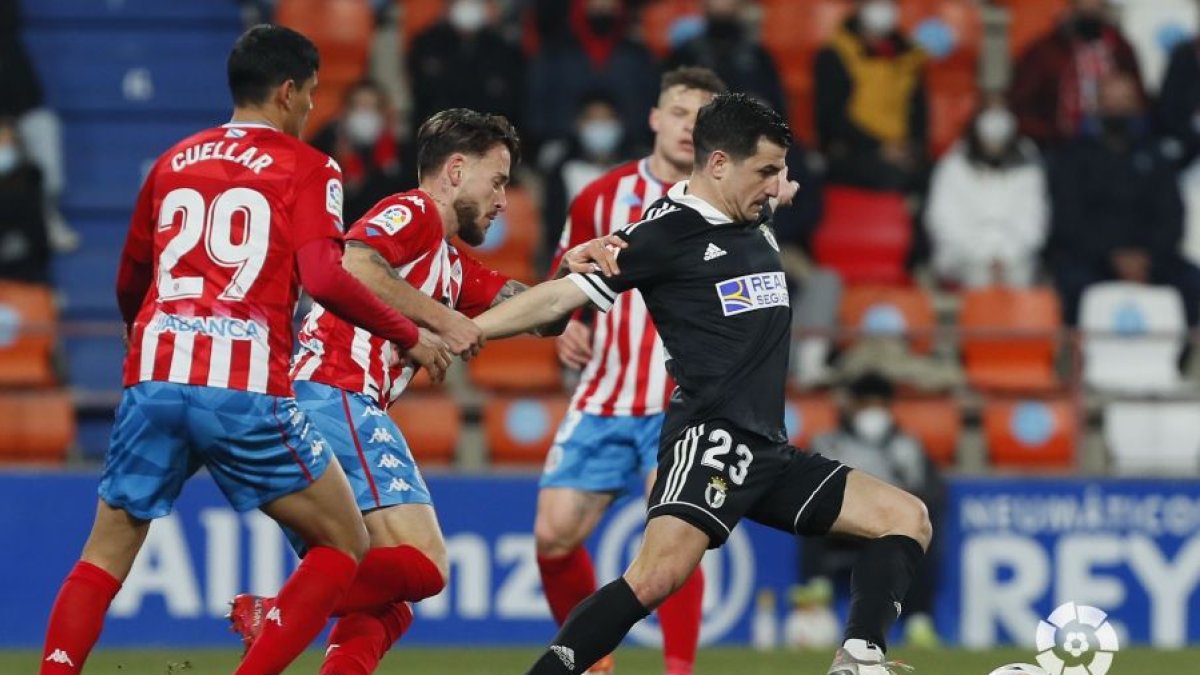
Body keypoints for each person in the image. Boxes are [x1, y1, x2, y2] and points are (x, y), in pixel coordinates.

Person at [37, 25, 452, 675]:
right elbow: (323, 276)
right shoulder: (311, 166)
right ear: (287, 92)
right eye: (312, 94)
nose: (314, 107)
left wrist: (135, 328)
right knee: (342, 544)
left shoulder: (175, 158)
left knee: (103, 555)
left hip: (156, 376)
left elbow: (131, 274)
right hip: (244, 386)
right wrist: (408, 333)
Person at [473, 93, 933, 675]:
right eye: (767, 171)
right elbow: (560, 297)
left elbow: (772, 196)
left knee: (906, 516)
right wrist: (464, 331)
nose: (777, 185)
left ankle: (858, 659)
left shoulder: (752, 211)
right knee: (655, 578)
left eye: (781, 171)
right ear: (718, 165)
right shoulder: (664, 234)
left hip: (767, 448)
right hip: (711, 439)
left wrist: (778, 189)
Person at [226, 108, 618, 675]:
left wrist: (572, 273)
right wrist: (440, 321)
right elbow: (354, 264)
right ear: (455, 171)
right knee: (427, 564)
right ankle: (275, 611)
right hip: (335, 394)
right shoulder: (411, 213)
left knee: (386, 592)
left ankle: (275, 632)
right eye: (499, 180)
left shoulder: (453, 265)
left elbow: (539, 317)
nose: (504, 199)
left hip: (311, 408)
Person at [539, 66, 727, 675]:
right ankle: (596, 660)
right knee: (553, 536)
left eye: (702, 118)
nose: (687, 127)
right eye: (678, 112)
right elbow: (565, 277)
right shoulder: (601, 195)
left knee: (672, 541)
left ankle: (678, 669)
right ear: (654, 117)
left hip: (683, 401)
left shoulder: (726, 205)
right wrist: (569, 322)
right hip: (606, 392)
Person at [1047, 72, 1200, 325]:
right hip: (1092, 257)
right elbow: (1068, 220)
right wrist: (1113, 256)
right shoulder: (1072, 157)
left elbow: (1171, 215)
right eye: (1111, 101)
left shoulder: (1155, 155)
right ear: (1096, 105)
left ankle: (1179, 361)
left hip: (1151, 257)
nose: (1118, 109)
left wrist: (1146, 257)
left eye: (1126, 101)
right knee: (1072, 282)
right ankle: (1079, 358)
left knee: (1191, 282)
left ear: (1138, 106)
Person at [807, 372, 944, 649]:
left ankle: (918, 620)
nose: (873, 412)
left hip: (889, 528)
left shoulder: (907, 447)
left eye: (879, 405)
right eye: (866, 404)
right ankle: (815, 592)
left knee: (924, 528)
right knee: (809, 512)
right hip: (842, 527)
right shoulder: (829, 443)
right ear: (853, 406)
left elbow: (928, 490)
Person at [926, 98, 1049, 288]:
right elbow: (943, 221)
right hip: (963, 256)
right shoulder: (953, 166)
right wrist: (983, 256)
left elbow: (1034, 222)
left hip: (1016, 257)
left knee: (1020, 277)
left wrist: (1006, 255)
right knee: (979, 278)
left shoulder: (1028, 167)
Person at [814, 0, 929, 192]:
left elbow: (919, 111)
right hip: (854, 151)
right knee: (893, 177)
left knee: (934, 178)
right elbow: (831, 121)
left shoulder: (909, 56)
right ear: (859, 6)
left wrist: (912, 148)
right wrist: (880, 147)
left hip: (901, 151)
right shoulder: (834, 55)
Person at [526, 0, 660, 151]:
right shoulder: (555, 54)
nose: (602, 7)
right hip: (563, 150)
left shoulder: (637, 55)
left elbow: (649, 104)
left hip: (630, 151)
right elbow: (539, 106)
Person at [1010, 0, 1145, 148]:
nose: (1090, 9)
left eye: (1096, 5)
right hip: (1058, 145)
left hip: (1115, 143)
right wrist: (1050, 134)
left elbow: (1138, 95)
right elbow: (1021, 104)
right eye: (1083, 6)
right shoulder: (1045, 52)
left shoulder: (1120, 48)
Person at [407, 0, 526, 138]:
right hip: (437, 135)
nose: (467, 6)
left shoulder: (503, 50)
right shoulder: (427, 44)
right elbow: (422, 92)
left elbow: (509, 102)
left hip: (487, 137)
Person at [540, 90, 632, 264]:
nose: (600, 126)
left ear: (620, 124)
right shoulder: (565, 171)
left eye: (607, 120)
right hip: (578, 264)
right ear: (578, 124)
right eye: (593, 120)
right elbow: (553, 229)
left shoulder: (634, 170)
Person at [663, 0, 787, 116]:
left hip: (746, 133)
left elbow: (777, 115)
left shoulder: (759, 57)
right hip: (696, 133)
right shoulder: (685, 54)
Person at [309, 80, 407, 223]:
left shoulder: (397, 149)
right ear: (346, 109)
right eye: (358, 106)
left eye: (371, 107)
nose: (364, 113)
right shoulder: (327, 140)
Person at [0, 117, 50, 284]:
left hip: (22, 281)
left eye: (8, 142)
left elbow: (39, 243)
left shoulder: (29, 183)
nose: (3, 147)